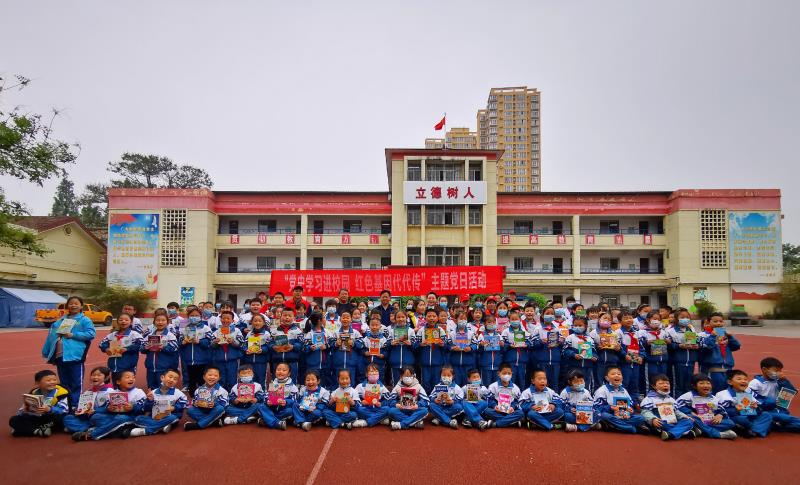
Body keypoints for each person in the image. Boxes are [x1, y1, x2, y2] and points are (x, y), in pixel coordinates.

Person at [41, 295, 96, 408]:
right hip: (60, 356)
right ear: (67, 306)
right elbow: (51, 337)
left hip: (75, 356)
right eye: (71, 303)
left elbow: (91, 334)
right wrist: (46, 352)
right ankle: (65, 404)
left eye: (76, 303)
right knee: (64, 383)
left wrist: (73, 335)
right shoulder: (59, 321)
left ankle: (76, 405)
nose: (73, 305)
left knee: (76, 383)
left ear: (81, 306)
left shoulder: (84, 320)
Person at [72, 370, 146, 441]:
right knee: (96, 417)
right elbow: (104, 408)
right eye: (127, 377)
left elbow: (143, 409)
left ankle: (91, 435)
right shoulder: (112, 393)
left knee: (120, 418)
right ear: (118, 381)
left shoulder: (139, 392)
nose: (131, 379)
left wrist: (133, 408)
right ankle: (119, 431)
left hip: (130, 417)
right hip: (113, 417)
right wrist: (108, 408)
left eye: (133, 377)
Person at [9, 369, 69, 437]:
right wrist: (24, 410)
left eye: (54, 380)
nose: (52, 382)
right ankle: (38, 431)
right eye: (48, 381)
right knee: (13, 420)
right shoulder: (34, 393)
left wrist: (49, 409)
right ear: (37, 383)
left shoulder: (61, 393)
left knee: (61, 419)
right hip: (37, 418)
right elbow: (22, 410)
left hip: (52, 418)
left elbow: (64, 410)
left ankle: (27, 430)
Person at [676, 373, 737, 439]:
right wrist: (693, 413)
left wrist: (720, 415)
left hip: (708, 421)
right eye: (701, 383)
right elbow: (678, 406)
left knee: (730, 423)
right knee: (691, 418)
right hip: (695, 419)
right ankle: (717, 434)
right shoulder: (688, 396)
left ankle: (701, 429)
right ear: (694, 386)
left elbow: (721, 410)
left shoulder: (713, 398)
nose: (705, 385)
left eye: (708, 383)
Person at [128, 368, 187, 437]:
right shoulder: (153, 392)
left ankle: (146, 431)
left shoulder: (178, 393)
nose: (172, 380)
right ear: (162, 377)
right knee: (138, 418)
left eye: (175, 379)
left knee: (173, 418)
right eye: (170, 377)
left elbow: (184, 403)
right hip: (154, 417)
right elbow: (146, 408)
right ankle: (161, 427)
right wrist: (150, 401)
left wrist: (174, 408)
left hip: (169, 416)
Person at [747, 357, 800, 432]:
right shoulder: (755, 383)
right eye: (776, 371)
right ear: (764, 370)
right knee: (787, 419)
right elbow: (749, 400)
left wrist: (784, 381)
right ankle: (772, 424)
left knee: (790, 421)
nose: (780, 373)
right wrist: (770, 402)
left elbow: (789, 394)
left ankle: (774, 425)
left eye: (780, 370)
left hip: (777, 410)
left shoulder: (779, 381)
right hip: (762, 410)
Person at [716, 369, 772, 438]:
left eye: (745, 379)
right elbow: (718, 411)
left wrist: (756, 408)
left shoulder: (747, 394)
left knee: (766, 415)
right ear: (730, 382)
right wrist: (735, 410)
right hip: (733, 417)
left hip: (748, 417)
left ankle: (753, 431)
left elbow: (752, 412)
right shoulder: (723, 394)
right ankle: (758, 428)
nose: (743, 381)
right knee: (742, 419)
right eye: (739, 379)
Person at [640, 374, 696, 440]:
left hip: (673, 421)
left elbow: (676, 412)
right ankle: (684, 432)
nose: (665, 385)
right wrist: (653, 419)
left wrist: (684, 416)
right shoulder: (649, 399)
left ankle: (671, 434)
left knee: (689, 421)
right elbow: (645, 412)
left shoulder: (671, 399)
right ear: (654, 386)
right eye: (661, 383)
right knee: (663, 424)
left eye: (667, 383)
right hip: (660, 421)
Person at [593, 366, 646, 434]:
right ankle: (632, 428)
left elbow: (630, 404)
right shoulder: (602, 390)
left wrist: (630, 410)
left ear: (622, 377)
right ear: (607, 378)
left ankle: (615, 427)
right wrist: (611, 407)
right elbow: (597, 408)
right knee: (604, 415)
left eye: (619, 374)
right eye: (613, 374)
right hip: (610, 415)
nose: (616, 375)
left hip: (623, 416)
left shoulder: (624, 390)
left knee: (641, 418)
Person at [699, 312, 741, 393]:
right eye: (715, 321)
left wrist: (730, 337)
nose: (718, 323)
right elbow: (706, 347)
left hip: (728, 370)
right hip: (712, 370)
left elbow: (736, 346)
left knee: (727, 393)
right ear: (708, 322)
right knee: (714, 393)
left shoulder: (724, 335)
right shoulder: (703, 335)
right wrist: (712, 336)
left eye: (721, 321)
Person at [63, 366, 112, 433]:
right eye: (93, 375)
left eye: (99, 375)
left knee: (97, 417)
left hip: (100, 416)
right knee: (68, 418)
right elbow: (82, 407)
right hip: (87, 419)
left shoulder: (109, 391)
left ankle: (78, 428)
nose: (95, 377)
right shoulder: (87, 392)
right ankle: (89, 429)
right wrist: (78, 410)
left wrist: (95, 411)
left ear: (106, 377)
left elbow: (110, 409)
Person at [665, 308, 700, 397]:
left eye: (687, 317)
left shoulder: (691, 330)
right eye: (682, 317)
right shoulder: (670, 331)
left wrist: (696, 346)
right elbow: (666, 346)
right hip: (677, 362)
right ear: (676, 318)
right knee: (677, 385)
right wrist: (678, 346)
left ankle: (687, 403)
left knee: (688, 385)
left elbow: (696, 342)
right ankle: (676, 403)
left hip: (690, 362)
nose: (685, 319)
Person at [140, 313, 180, 390]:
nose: (160, 322)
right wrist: (146, 347)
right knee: (152, 388)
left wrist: (163, 347)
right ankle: (153, 401)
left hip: (164, 368)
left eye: (163, 320)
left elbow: (174, 348)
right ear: (154, 322)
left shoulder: (170, 335)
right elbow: (141, 349)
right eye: (158, 320)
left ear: (167, 323)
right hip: (151, 367)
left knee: (164, 388)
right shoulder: (149, 335)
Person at [179, 307, 213, 394]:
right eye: (192, 315)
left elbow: (210, 342)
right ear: (188, 317)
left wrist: (199, 341)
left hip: (202, 359)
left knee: (202, 379)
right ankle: (192, 397)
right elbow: (179, 342)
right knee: (191, 380)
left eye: (196, 315)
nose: (194, 317)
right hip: (189, 360)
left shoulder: (206, 328)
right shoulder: (185, 328)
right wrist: (183, 342)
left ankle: (203, 397)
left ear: (200, 316)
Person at [184, 366, 228, 431]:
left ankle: (198, 425)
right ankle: (214, 422)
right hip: (202, 411)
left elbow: (225, 404)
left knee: (220, 408)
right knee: (190, 410)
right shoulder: (198, 390)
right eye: (210, 375)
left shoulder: (222, 390)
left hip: (214, 411)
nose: (212, 377)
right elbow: (194, 401)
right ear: (204, 377)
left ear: (219, 378)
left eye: (215, 376)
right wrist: (196, 403)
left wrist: (215, 404)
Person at [530, 307, 564, 390]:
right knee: (542, 383)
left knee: (555, 383)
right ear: (542, 315)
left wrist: (561, 341)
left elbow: (562, 344)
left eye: (552, 314)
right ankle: (541, 400)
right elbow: (533, 344)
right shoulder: (538, 328)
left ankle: (554, 401)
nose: (550, 315)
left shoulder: (557, 329)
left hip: (555, 361)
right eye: (547, 313)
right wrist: (541, 341)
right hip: (542, 361)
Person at [482, 363, 525, 428]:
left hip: (510, 411)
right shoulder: (493, 386)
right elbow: (490, 399)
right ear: (499, 374)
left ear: (512, 374)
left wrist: (512, 407)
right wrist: (495, 406)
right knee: (486, 411)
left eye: (509, 373)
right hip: (497, 411)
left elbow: (517, 401)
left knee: (521, 413)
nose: (507, 375)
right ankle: (511, 422)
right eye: (504, 373)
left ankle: (496, 424)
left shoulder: (515, 388)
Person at [210, 310, 245, 390]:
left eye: (228, 318)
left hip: (233, 360)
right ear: (220, 319)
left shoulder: (237, 331)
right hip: (219, 360)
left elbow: (241, 344)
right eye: (223, 318)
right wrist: (215, 342)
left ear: (232, 320)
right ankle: (221, 397)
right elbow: (211, 345)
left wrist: (233, 341)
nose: (225, 320)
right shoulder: (216, 332)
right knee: (221, 380)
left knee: (232, 380)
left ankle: (232, 398)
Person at [387, 365, 429, 430]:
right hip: (402, 410)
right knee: (391, 411)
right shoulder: (397, 387)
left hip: (414, 410)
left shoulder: (418, 386)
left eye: (410, 376)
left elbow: (426, 400)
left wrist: (417, 405)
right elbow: (390, 400)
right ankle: (414, 423)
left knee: (424, 410)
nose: (408, 378)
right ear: (401, 377)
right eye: (406, 376)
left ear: (414, 376)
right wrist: (396, 404)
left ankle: (401, 424)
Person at [257, 362, 297, 430]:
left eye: (284, 370)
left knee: (290, 411)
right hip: (272, 408)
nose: (280, 372)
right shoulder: (272, 384)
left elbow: (295, 400)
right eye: (278, 369)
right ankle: (277, 423)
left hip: (283, 409)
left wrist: (285, 402)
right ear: (275, 372)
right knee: (260, 406)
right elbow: (266, 396)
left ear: (289, 373)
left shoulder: (292, 386)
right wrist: (268, 401)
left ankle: (267, 419)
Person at [562, 316, 597, 392]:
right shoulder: (570, 337)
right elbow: (565, 350)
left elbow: (594, 351)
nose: (577, 327)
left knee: (587, 385)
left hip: (588, 367)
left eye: (580, 325)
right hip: (574, 367)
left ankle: (587, 399)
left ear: (586, 326)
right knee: (574, 384)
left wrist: (594, 357)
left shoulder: (590, 339)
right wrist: (574, 355)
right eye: (575, 325)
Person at [590, 312, 624, 389]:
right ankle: (598, 398)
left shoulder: (614, 333)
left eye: (609, 319)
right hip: (599, 363)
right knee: (598, 383)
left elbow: (619, 348)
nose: (607, 320)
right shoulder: (593, 333)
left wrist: (618, 348)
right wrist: (597, 347)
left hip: (612, 363)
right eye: (605, 318)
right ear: (599, 319)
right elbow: (590, 348)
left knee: (611, 383)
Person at [270, 307, 304, 381]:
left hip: (292, 362)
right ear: (281, 317)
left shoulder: (297, 331)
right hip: (277, 361)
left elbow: (301, 344)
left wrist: (293, 346)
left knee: (292, 383)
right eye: (285, 315)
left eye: (289, 316)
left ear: (293, 318)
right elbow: (270, 343)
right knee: (276, 384)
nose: (287, 318)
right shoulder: (274, 331)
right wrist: (273, 347)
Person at [417, 308, 447, 393]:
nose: (431, 318)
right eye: (429, 316)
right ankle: (426, 401)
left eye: (434, 316)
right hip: (425, 363)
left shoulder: (441, 330)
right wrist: (420, 344)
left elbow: (448, 346)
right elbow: (414, 345)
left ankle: (435, 400)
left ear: (437, 318)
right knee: (425, 383)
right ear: (425, 317)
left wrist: (442, 344)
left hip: (437, 363)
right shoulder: (421, 330)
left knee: (437, 383)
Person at [331, 311, 363, 388]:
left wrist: (354, 343)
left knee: (351, 385)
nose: (345, 319)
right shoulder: (335, 333)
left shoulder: (356, 333)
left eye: (347, 317)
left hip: (351, 365)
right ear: (340, 319)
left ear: (351, 319)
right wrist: (335, 344)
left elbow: (362, 345)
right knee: (337, 385)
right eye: (343, 317)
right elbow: (329, 345)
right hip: (338, 364)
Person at [502, 309, 531, 389]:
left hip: (522, 361)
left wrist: (526, 345)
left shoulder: (525, 332)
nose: (515, 321)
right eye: (512, 319)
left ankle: (521, 397)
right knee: (510, 380)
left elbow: (530, 343)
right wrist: (509, 345)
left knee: (522, 381)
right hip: (510, 361)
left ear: (520, 320)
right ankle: (510, 397)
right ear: (509, 320)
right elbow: (502, 345)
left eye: (516, 319)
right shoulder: (506, 332)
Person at [446, 311, 478, 386]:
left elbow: (476, 344)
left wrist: (470, 348)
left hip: (468, 363)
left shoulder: (471, 333)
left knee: (468, 383)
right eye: (461, 319)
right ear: (456, 320)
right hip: (455, 363)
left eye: (464, 319)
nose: (463, 321)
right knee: (456, 383)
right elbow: (447, 344)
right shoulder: (452, 333)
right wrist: (452, 348)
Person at [428, 365, 464, 429]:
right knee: (431, 405)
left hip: (450, 408)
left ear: (453, 376)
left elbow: (460, 399)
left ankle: (439, 418)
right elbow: (431, 396)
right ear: (440, 376)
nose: (446, 377)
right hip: (440, 406)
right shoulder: (438, 386)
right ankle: (449, 421)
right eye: (444, 375)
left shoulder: (457, 388)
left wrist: (452, 401)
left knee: (459, 407)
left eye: (449, 375)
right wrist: (435, 400)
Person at [354, 363, 391, 427]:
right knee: (358, 409)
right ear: (366, 374)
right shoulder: (360, 386)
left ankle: (368, 421)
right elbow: (355, 400)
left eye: (376, 371)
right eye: (371, 371)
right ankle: (379, 419)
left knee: (387, 409)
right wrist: (362, 402)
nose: (374, 373)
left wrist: (380, 404)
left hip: (377, 409)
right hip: (366, 409)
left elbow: (388, 399)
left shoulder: (382, 387)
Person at [641, 310, 669, 392]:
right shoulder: (643, 332)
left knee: (662, 381)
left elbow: (670, 343)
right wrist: (646, 343)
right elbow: (639, 345)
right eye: (654, 319)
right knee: (650, 382)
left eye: (658, 319)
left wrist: (668, 342)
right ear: (648, 320)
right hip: (650, 362)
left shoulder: (663, 332)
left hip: (662, 361)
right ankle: (649, 400)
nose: (656, 321)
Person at [303, 312, 333, 389]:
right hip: (312, 365)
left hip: (325, 364)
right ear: (319, 321)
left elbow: (333, 344)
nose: (325, 320)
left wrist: (326, 346)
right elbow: (304, 348)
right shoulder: (309, 334)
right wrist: (310, 348)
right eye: (324, 318)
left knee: (325, 384)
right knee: (313, 384)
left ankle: (323, 399)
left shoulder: (327, 332)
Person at [241, 313, 271, 388]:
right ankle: (249, 396)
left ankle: (261, 397)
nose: (257, 323)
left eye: (259, 321)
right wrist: (246, 350)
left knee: (261, 380)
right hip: (249, 361)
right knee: (249, 380)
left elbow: (269, 346)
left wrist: (262, 350)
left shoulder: (266, 334)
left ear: (263, 322)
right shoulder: (249, 334)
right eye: (255, 321)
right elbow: (244, 345)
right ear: (252, 322)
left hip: (261, 362)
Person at [619, 310, 643, 399]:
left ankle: (635, 402)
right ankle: (624, 404)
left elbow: (641, 347)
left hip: (636, 363)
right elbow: (618, 348)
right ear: (620, 321)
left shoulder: (636, 333)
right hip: (624, 363)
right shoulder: (618, 332)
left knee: (635, 384)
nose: (629, 320)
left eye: (630, 318)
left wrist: (641, 356)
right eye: (625, 318)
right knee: (624, 383)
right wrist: (624, 355)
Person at [388, 310, 417, 386]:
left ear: (406, 318)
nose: (400, 319)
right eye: (398, 317)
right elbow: (386, 345)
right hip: (395, 362)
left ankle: (408, 398)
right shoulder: (392, 331)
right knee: (396, 384)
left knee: (408, 384)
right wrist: (391, 343)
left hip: (408, 362)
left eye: (403, 317)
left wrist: (410, 344)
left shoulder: (411, 331)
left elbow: (416, 346)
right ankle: (396, 397)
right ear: (395, 319)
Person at [477, 314, 505, 387]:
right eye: (489, 322)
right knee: (486, 385)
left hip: (497, 365)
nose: (491, 324)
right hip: (485, 365)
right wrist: (481, 345)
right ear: (484, 324)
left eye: (493, 322)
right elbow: (478, 351)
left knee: (496, 385)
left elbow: (502, 351)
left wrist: (502, 345)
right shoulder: (482, 335)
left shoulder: (499, 336)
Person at [360, 315, 389, 383]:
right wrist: (365, 352)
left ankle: (379, 392)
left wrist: (382, 355)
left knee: (380, 379)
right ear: (369, 326)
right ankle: (367, 392)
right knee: (367, 380)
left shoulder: (383, 339)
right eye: (372, 325)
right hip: (367, 364)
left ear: (380, 326)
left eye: (376, 325)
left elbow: (386, 351)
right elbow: (362, 349)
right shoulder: (366, 338)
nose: (374, 327)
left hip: (379, 364)